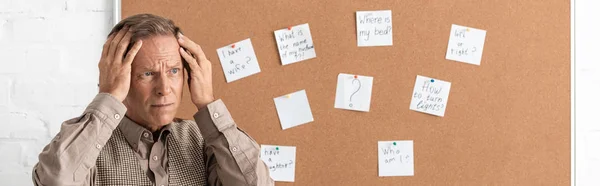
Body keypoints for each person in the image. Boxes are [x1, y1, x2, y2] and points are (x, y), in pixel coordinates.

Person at [32, 14, 273, 186]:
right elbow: (56, 180)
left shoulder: (203, 141)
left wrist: (207, 104)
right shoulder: (88, 145)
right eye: (147, 74)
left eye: (174, 71)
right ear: (119, 76)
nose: (164, 88)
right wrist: (108, 96)